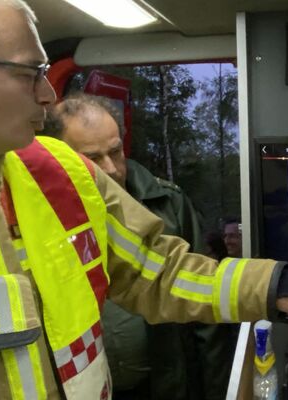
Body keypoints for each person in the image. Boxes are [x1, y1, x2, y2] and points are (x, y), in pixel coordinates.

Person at [0, 1, 288, 400]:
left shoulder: (60, 172)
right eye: (30, 73)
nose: (48, 96)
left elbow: (159, 272)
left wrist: (271, 285)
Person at [43, 93, 236, 400]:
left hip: (164, 384)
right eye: (92, 159)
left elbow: (206, 315)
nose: (110, 169)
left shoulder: (167, 203)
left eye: (115, 152)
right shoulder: (37, 215)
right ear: (58, 159)